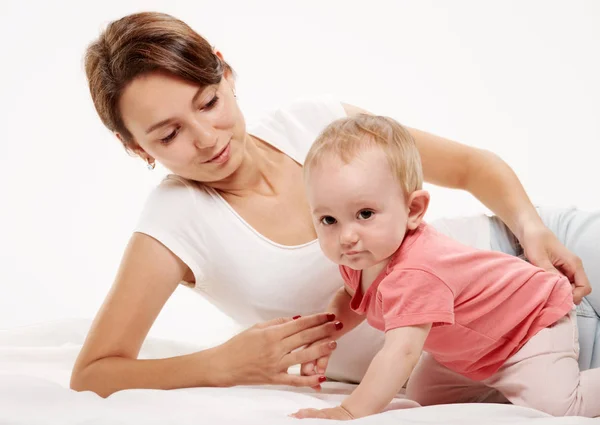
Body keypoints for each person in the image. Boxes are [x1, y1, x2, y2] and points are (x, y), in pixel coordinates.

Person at [70, 11, 596, 398]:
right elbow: (95, 370)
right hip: (490, 356)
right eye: (168, 135)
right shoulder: (174, 225)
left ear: (225, 73)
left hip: (535, 262)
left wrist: (531, 231)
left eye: (208, 102)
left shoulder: (314, 123)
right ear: (135, 147)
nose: (207, 138)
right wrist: (222, 363)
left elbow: (469, 167)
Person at [291, 115, 599, 420]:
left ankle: (536, 382)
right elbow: (350, 299)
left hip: (527, 326)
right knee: (426, 397)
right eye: (328, 220)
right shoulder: (361, 257)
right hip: (472, 350)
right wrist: (325, 334)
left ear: (413, 210)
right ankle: (507, 386)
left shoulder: (416, 272)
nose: (346, 237)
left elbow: (402, 353)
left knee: (560, 408)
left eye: (365, 213)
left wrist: (349, 410)